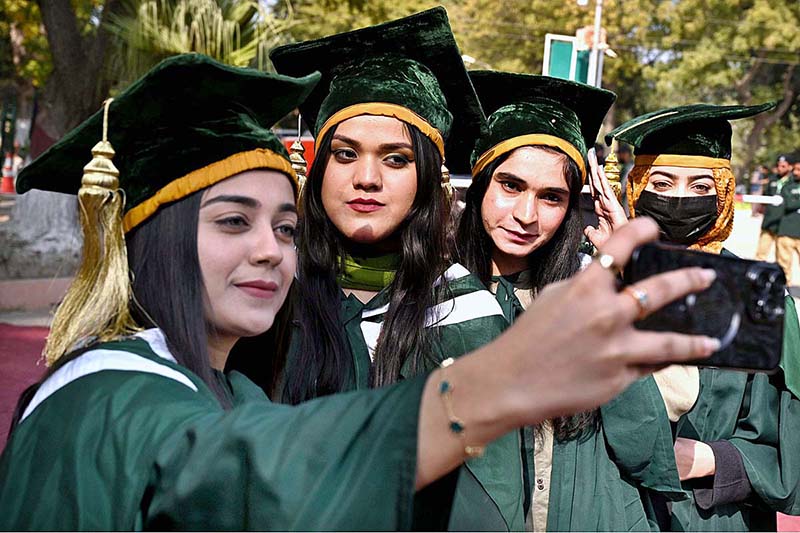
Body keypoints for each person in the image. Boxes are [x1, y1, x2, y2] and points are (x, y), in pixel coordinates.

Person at [0, 54, 720, 531]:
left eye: (285, 228)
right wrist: (497, 382)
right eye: (231, 221)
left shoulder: (452, 306)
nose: (268, 249)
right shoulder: (109, 389)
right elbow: (254, 465)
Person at [267, 8, 524, 530]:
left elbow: (491, 501)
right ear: (317, 170)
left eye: (395, 159)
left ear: (426, 178)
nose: (366, 178)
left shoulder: (464, 311)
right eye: (344, 154)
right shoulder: (267, 294)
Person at [456, 71, 680, 532]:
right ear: (480, 182)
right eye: (510, 186)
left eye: (551, 197)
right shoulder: (429, 290)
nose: (526, 215)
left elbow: (642, 441)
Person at [608, 102, 800, 531]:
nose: (679, 200)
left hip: (715, 519)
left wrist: (709, 459)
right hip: (612, 510)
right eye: (662, 182)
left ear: (724, 194)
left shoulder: (755, 297)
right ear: (636, 188)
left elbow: (787, 444)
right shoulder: (599, 284)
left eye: (700, 187)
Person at [756, 155, 792, 261]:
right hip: (768, 223)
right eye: (778, 166)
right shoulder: (772, 179)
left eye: (783, 166)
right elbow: (765, 197)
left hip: (783, 225)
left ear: (790, 167)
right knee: (760, 255)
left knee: (782, 258)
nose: (780, 168)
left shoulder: (794, 182)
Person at [777, 160, 800, 284]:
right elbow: (789, 204)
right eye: (795, 169)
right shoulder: (787, 186)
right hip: (787, 232)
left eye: (799, 170)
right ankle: (786, 296)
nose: (796, 172)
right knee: (784, 268)